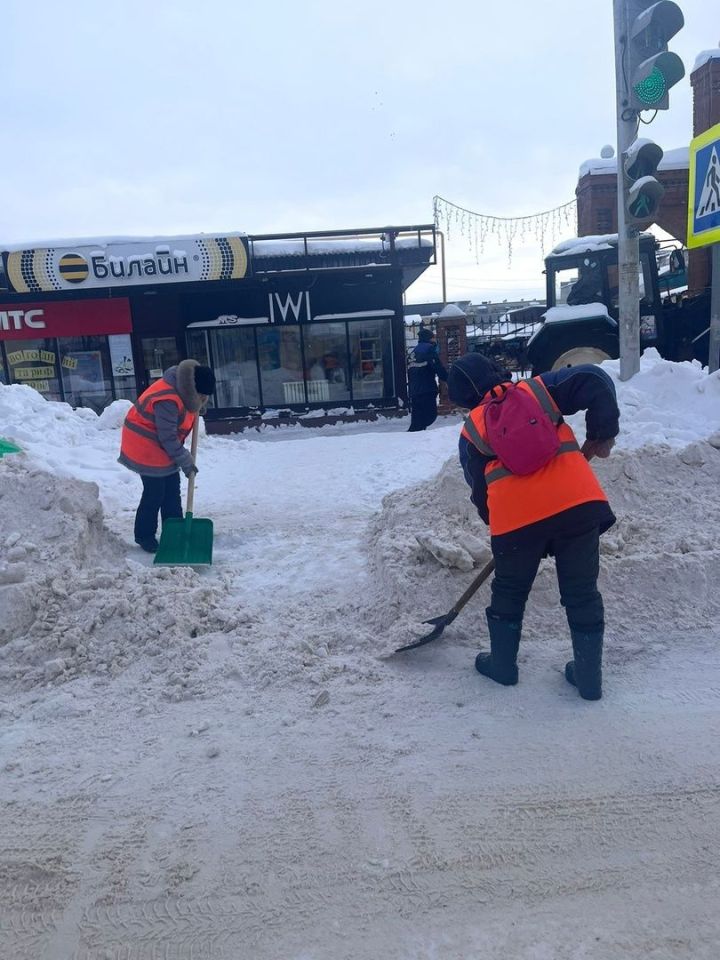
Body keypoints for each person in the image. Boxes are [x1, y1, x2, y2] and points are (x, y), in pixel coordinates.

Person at [446, 354, 619, 700]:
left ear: (463, 398)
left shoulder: (471, 432)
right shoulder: (540, 389)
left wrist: (502, 528)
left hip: (517, 523)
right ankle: (589, 679)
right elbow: (595, 380)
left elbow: (480, 493)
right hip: (578, 506)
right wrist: (603, 434)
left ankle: (503, 666)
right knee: (582, 592)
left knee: (509, 591)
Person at [118, 359, 216, 553]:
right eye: (202, 395)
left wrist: (197, 404)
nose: (203, 398)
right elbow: (168, 436)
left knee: (171, 490)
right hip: (144, 445)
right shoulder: (168, 399)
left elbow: (178, 421)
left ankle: (175, 533)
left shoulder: (183, 387)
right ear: (194, 388)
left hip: (160, 444)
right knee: (155, 492)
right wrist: (186, 461)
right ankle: (144, 535)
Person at [407, 327, 448, 431]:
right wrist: (448, 378)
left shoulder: (414, 352)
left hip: (414, 390)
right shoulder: (429, 349)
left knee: (417, 420)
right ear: (429, 339)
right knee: (429, 416)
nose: (435, 340)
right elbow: (437, 367)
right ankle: (412, 439)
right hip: (427, 389)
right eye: (433, 337)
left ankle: (413, 438)